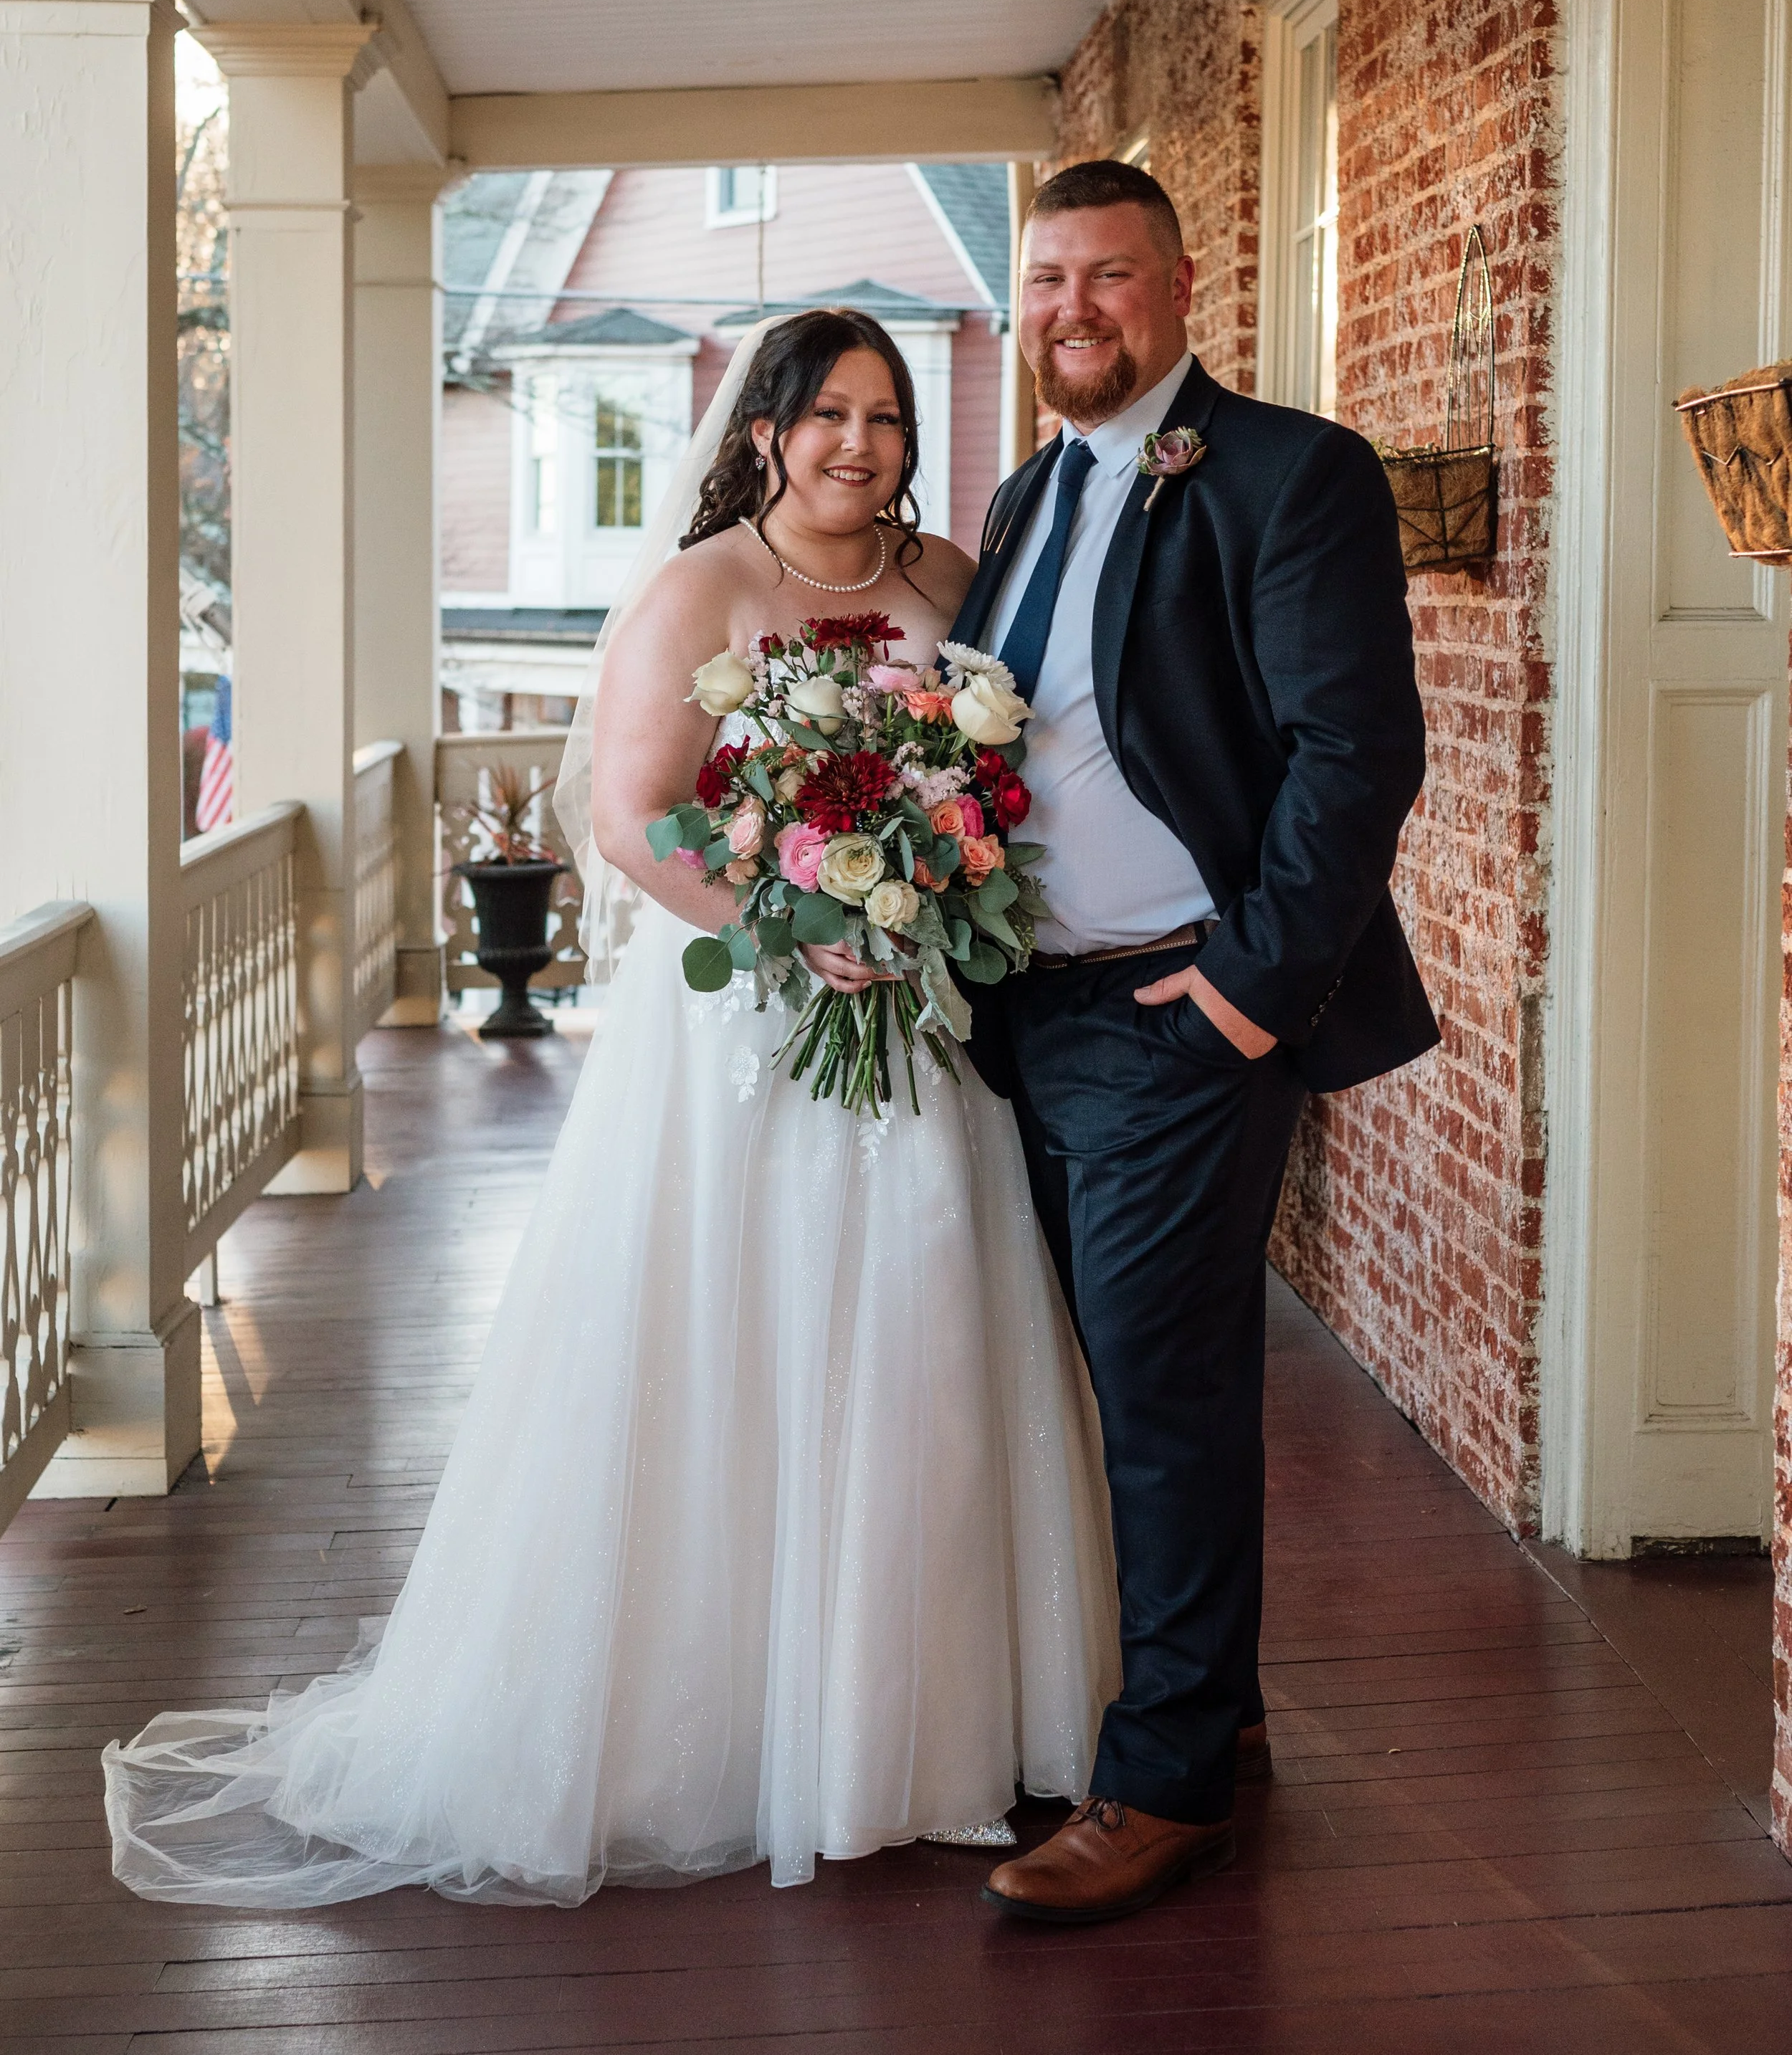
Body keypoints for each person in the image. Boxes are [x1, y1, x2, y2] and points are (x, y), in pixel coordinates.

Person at [101, 307, 1119, 1907]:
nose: (862, 445)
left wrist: (928, 885)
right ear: (768, 429)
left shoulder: (941, 584)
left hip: (916, 1016)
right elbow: (641, 822)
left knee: (927, 1320)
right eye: (830, 415)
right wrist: (806, 930)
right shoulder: (695, 590)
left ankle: (924, 1722)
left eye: (889, 418)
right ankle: (727, 1728)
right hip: (751, 1023)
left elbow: (1002, 775)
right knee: (730, 1333)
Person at [961, 160, 1436, 1926]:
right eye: (1043, 283)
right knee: (1106, 1376)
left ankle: (1160, 1784)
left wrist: (1243, 992)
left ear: (1177, 288)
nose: (1070, 312)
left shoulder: (1283, 473)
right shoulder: (1021, 498)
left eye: (1104, 278)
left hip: (1179, 1011)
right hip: (1035, 1007)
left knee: (1160, 1398)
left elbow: (1351, 755)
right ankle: (1213, 1707)